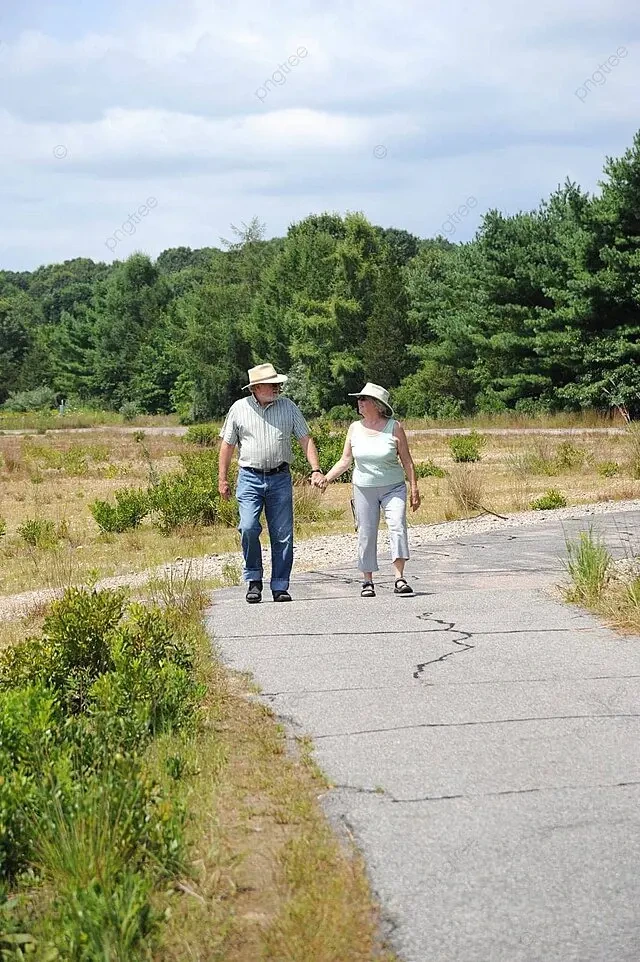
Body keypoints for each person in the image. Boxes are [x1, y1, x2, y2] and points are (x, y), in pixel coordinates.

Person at [218, 363, 325, 604]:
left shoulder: (289, 407)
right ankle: (254, 580)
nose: (278, 387)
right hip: (249, 477)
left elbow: (305, 438)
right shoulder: (238, 409)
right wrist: (222, 479)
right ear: (255, 388)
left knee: (283, 535)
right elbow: (227, 445)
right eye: (272, 383)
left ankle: (280, 586)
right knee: (247, 527)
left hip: (280, 477)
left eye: (278, 383)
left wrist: (316, 469)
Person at [321, 382, 420, 597]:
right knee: (366, 533)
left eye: (363, 399)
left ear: (377, 405)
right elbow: (345, 460)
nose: (359, 402)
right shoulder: (354, 428)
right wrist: (326, 478)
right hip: (364, 488)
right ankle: (367, 581)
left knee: (397, 526)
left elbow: (407, 462)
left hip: (393, 487)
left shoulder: (394, 427)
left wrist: (414, 489)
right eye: (359, 399)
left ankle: (399, 577)